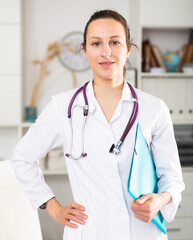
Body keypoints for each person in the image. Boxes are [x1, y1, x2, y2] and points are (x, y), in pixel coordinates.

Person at [12, 9, 185, 240]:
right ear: (84, 50)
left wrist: (161, 200)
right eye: (96, 43)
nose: (106, 52)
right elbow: (22, 158)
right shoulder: (62, 107)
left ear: (128, 48)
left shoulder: (154, 108)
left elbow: (172, 178)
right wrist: (53, 208)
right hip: (89, 230)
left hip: (142, 231)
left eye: (115, 42)